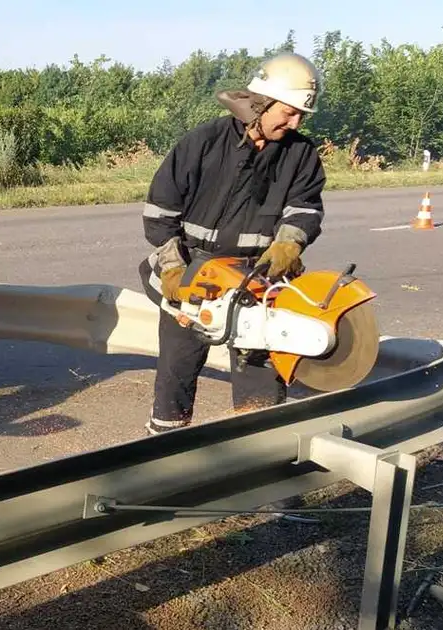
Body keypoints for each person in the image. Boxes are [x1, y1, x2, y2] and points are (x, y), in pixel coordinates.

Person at [137, 52, 327, 435]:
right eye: (288, 113)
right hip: (193, 277)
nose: (295, 123)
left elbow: (304, 209)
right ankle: (164, 459)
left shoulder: (301, 155)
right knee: (176, 373)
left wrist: (288, 245)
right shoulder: (202, 143)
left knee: (260, 386)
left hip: (256, 283)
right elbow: (159, 214)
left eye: (302, 116)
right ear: (261, 103)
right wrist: (174, 269)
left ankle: (260, 468)